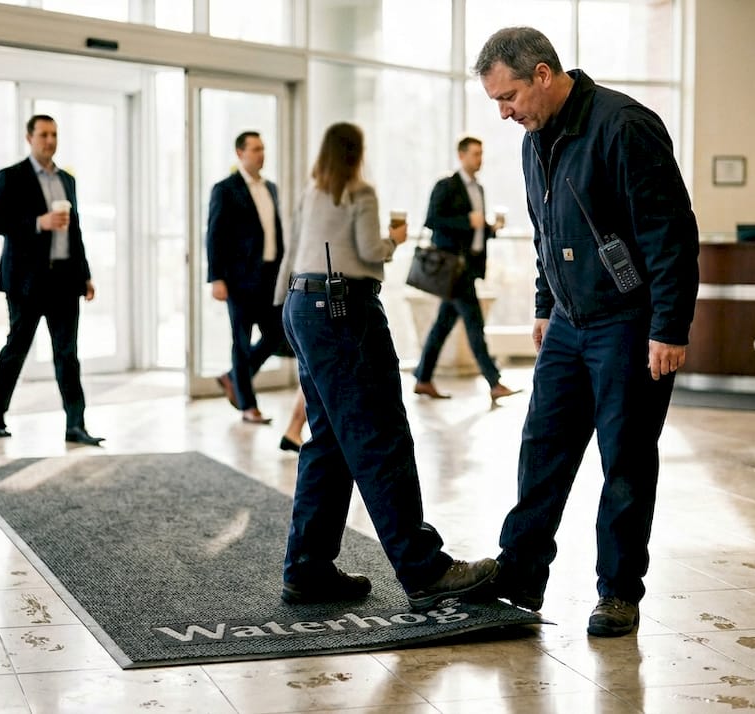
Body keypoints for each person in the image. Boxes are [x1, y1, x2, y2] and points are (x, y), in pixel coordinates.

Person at [474, 27, 700, 636]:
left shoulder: (624, 126)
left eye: (509, 96)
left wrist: (669, 325)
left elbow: (669, 233)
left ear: (544, 74)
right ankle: (519, 574)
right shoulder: (533, 140)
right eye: (496, 101)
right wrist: (546, 304)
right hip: (570, 325)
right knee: (541, 448)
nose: (504, 113)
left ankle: (618, 592)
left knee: (624, 461)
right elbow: (547, 232)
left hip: (628, 326)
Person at [273, 122, 499, 610]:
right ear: (358, 152)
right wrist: (393, 240)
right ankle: (424, 570)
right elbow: (369, 256)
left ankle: (307, 569)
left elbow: (292, 255)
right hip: (344, 310)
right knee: (381, 437)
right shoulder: (361, 191)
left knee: (330, 440)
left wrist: (286, 315)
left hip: (301, 306)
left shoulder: (310, 192)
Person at [0, 114, 104, 446]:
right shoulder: (11, 176)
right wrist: (39, 222)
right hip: (26, 281)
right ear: (29, 138)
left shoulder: (67, 180)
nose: (50, 140)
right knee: (17, 348)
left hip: (65, 280)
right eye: (43, 134)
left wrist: (86, 274)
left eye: (54, 134)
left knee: (68, 354)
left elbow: (74, 231)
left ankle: (75, 424)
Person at [413, 136, 520, 404]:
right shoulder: (447, 185)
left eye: (481, 154)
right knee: (474, 324)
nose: (479, 159)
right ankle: (494, 382)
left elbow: (475, 230)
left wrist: (489, 229)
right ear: (461, 156)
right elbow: (432, 220)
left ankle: (423, 378)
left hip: (469, 266)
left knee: (443, 324)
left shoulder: (479, 189)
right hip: (453, 269)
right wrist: (467, 221)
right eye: (475, 154)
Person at [206, 131, 286, 425]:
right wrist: (217, 278)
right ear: (240, 153)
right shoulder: (225, 189)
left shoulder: (271, 188)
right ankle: (248, 406)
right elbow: (214, 235)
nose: (261, 154)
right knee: (240, 341)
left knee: (277, 334)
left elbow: (275, 232)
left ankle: (233, 378)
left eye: (263, 149)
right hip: (238, 280)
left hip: (270, 277)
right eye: (255, 149)